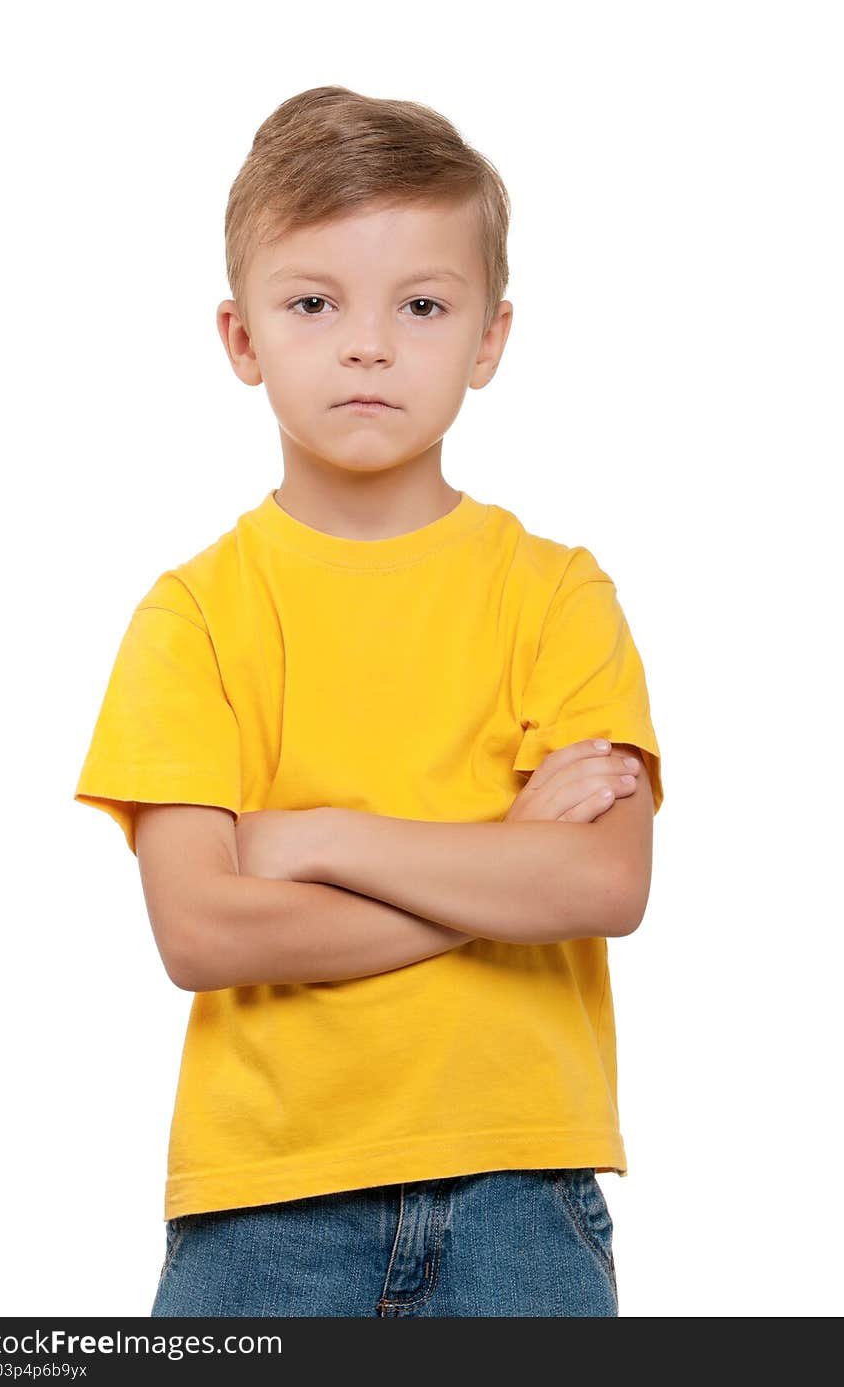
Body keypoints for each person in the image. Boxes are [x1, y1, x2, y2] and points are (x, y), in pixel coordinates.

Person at [73, 84, 663, 1318]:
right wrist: (501, 860)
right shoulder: (193, 617)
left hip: (522, 1192)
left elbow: (601, 887)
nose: (368, 345)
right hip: (263, 1206)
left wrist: (318, 841)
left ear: (490, 338)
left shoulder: (558, 594)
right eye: (312, 303)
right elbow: (205, 934)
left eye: (423, 306)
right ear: (241, 339)